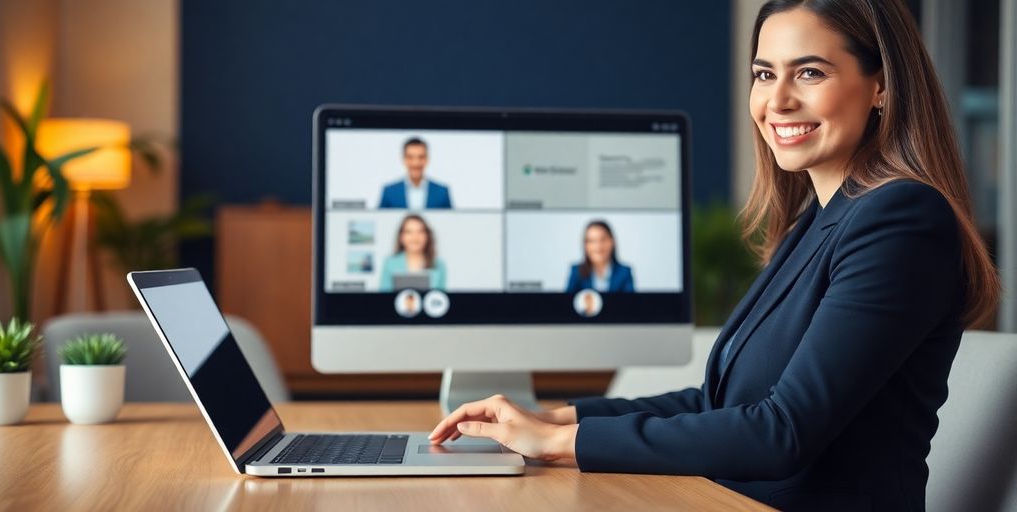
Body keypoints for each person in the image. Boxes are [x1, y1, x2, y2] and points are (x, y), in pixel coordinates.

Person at [428, 1, 1000, 510]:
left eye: (810, 72)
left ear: (882, 86)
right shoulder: (819, 220)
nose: (777, 100)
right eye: (763, 74)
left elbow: (782, 432)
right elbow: (718, 400)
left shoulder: (901, 219)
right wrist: (558, 418)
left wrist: (559, 446)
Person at [378, 137, 453, 209]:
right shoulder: (390, 192)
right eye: (410, 157)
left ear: (427, 159)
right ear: (404, 159)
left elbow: (450, 220)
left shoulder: (441, 192)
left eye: (421, 157)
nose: (416, 163)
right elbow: (381, 220)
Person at [379, 214, 446, 291]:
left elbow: (442, 297)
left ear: (427, 236)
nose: (415, 237)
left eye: (420, 231)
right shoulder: (390, 263)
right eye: (409, 232)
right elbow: (383, 297)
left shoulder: (439, 264)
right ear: (401, 237)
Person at [564, 221, 635, 293]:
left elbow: (630, 303)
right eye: (592, 241)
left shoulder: (624, 272)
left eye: (603, 240)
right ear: (585, 245)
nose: (598, 246)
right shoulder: (576, 271)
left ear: (612, 242)